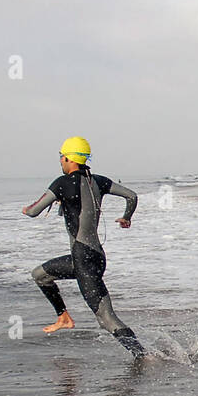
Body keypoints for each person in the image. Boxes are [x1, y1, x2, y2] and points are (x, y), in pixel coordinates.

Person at [20, 136, 146, 356]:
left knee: (106, 319)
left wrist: (26, 208)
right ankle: (63, 317)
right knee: (40, 275)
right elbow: (132, 196)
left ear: (69, 158)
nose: (60, 160)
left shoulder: (61, 182)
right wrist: (127, 218)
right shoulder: (98, 181)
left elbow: (33, 211)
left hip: (82, 259)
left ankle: (143, 356)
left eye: (61, 156)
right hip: (95, 256)